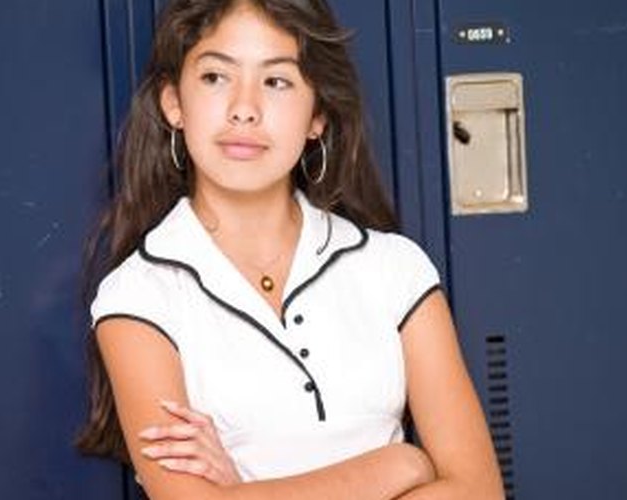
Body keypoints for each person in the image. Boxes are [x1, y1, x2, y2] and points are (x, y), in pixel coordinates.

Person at [77, 0, 504, 498]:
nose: (244, 107)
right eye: (216, 77)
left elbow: (478, 491)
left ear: (317, 116)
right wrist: (397, 466)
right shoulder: (139, 296)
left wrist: (243, 493)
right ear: (174, 103)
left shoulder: (395, 270)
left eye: (277, 81)